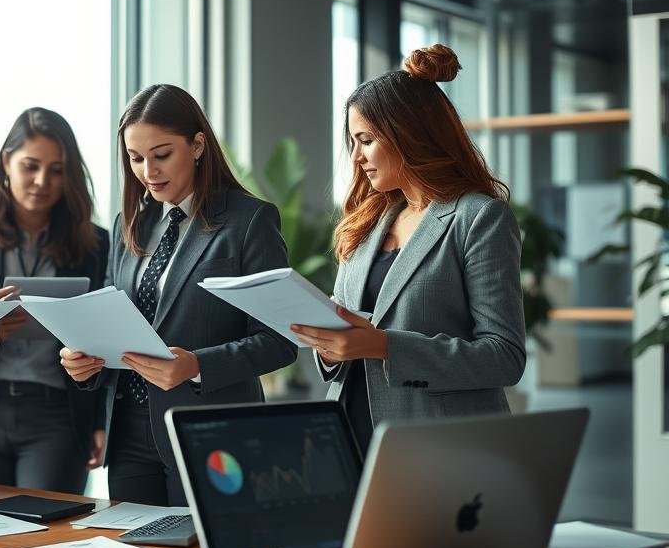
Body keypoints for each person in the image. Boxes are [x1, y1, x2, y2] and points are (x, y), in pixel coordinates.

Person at [60, 84, 297, 506]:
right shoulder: (128, 224)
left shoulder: (248, 222)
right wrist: (87, 361)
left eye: (162, 154)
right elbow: (112, 322)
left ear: (198, 145)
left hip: (208, 433)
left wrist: (196, 366)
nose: (148, 171)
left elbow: (281, 341)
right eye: (136, 159)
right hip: (130, 432)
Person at [291, 44, 526, 458]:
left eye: (366, 139)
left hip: (437, 450)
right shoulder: (366, 222)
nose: (357, 156)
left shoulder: (478, 218)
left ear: (409, 135)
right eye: (352, 142)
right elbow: (348, 349)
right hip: (348, 441)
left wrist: (384, 346)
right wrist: (329, 345)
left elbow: (504, 357)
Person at [0, 108, 109, 493]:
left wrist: (101, 421)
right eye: (30, 166)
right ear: (7, 163)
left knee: (48, 532)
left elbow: (105, 338)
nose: (42, 181)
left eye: (57, 170)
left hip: (56, 412)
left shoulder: (95, 245)